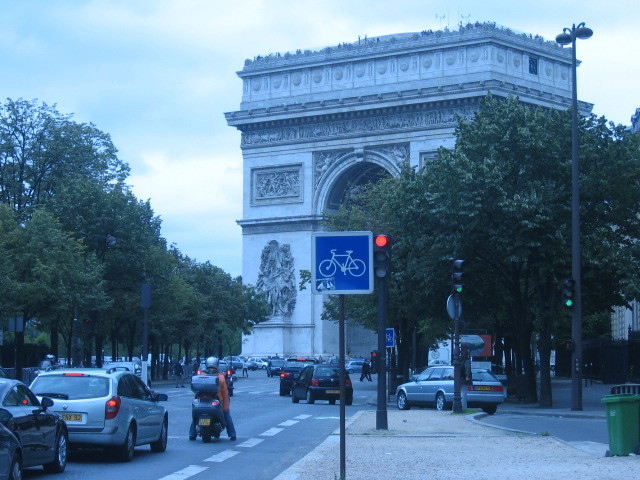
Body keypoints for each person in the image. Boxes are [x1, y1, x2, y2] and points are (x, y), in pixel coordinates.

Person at [189, 356, 236, 441]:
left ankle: (192, 434)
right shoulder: (220, 377)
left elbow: (196, 392)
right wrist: (226, 408)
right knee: (227, 415)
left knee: (195, 417)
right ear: (217, 365)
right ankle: (232, 433)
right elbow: (225, 393)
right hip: (217, 402)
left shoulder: (201, 376)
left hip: (201, 402)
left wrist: (195, 401)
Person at [460, 343, 472, 410]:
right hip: (464, 378)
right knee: (464, 393)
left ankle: (462, 406)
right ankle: (463, 407)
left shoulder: (460, 357)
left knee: (460, 392)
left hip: (459, 378)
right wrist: (467, 376)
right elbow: (467, 368)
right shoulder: (467, 359)